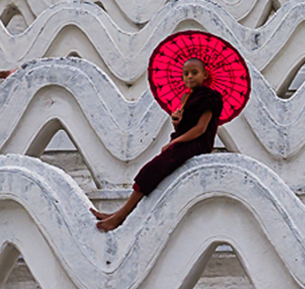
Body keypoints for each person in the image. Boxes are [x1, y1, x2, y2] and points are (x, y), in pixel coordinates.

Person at [93, 54, 225, 230]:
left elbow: (200, 129)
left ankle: (120, 216)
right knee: (150, 171)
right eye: (186, 74)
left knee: (152, 171)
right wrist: (177, 123)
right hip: (184, 142)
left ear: (205, 75)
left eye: (195, 72)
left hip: (197, 145)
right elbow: (186, 127)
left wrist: (173, 143)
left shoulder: (210, 98)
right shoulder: (187, 98)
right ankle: (118, 213)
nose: (190, 77)